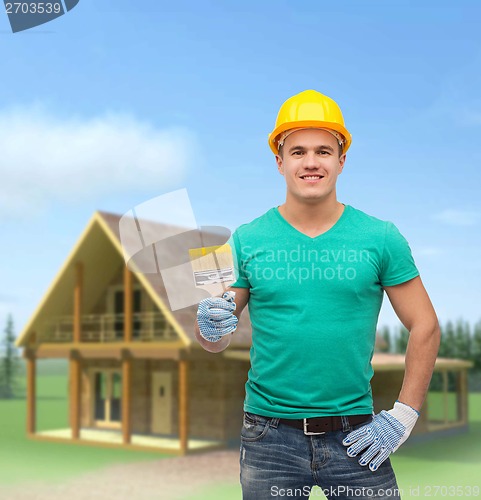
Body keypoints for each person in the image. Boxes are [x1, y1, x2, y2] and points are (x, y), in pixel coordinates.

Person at [194, 89, 440, 499]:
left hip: (357, 436)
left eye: (324, 151)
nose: (311, 162)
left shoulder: (380, 237)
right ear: (279, 161)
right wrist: (207, 325)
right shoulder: (243, 240)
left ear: (341, 160)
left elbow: (425, 325)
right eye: (298, 151)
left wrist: (404, 415)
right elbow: (214, 341)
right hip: (267, 439)